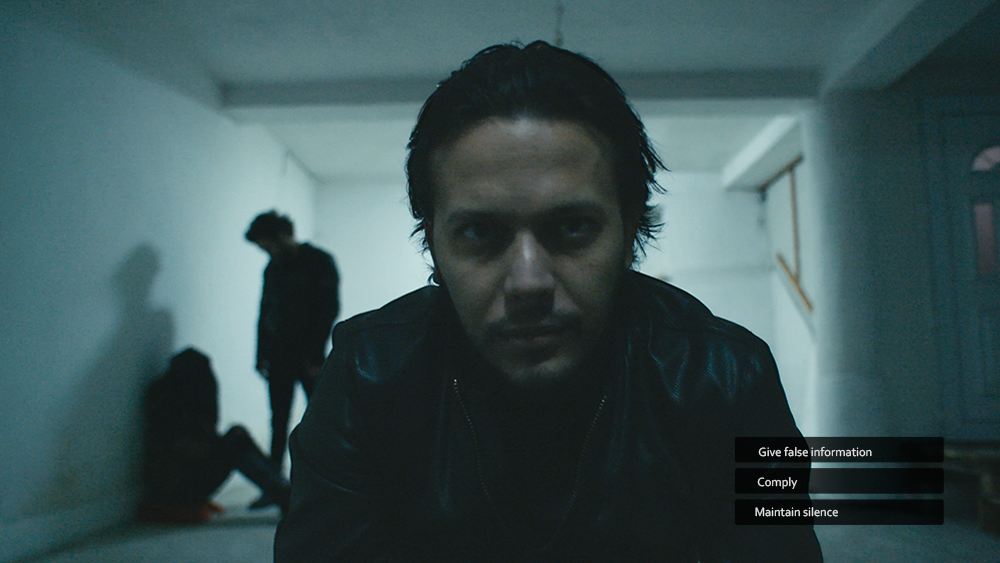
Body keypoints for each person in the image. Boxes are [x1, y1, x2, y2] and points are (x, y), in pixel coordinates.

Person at [274, 41, 823, 562]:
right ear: (433, 243)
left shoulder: (727, 377)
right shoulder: (366, 374)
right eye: (481, 233)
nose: (528, 283)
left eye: (572, 227)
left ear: (630, 231)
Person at [138, 348, 290, 522]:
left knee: (237, 438)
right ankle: (282, 492)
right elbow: (187, 450)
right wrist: (219, 445)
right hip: (175, 488)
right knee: (236, 442)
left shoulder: (174, 398)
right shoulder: (168, 406)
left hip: (180, 480)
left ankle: (282, 490)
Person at [245, 211, 339, 487]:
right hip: (279, 355)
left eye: (268, 245)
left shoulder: (319, 261)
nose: (267, 252)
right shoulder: (273, 268)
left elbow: (328, 310)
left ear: (282, 235)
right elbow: (265, 311)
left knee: (322, 421)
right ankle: (275, 485)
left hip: (308, 356)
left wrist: (314, 355)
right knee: (278, 420)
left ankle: (328, 482)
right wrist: (261, 354)